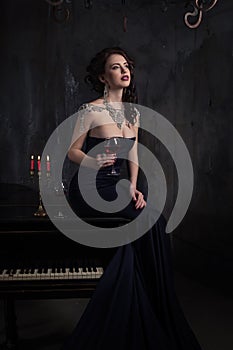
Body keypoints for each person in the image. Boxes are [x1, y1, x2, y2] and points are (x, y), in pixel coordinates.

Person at [61, 47, 203, 350]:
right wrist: (91, 161)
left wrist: (132, 187)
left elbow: (134, 154)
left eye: (126, 66)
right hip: (89, 187)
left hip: (118, 186)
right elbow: (72, 151)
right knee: (145, 224)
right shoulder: (91, 110)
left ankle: (146, 313)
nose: (124, 71)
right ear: (103, 76)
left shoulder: (133, 113)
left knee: (152, 226)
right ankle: (132, 315)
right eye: (115, 67)